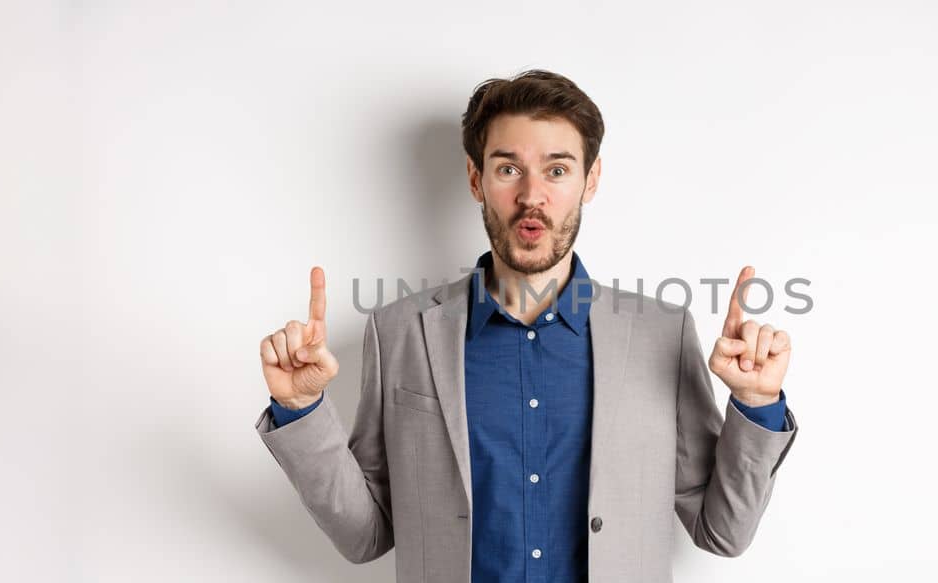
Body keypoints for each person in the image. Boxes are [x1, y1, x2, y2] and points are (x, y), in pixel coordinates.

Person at [253, 69, 799, 583]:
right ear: (476, 178)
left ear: (590, 180)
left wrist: (755, 405)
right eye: (508, 168)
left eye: (557, 169)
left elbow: (722, 532)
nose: (532, 195)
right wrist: (301, 410)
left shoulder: (661, 332)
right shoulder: (399, 332)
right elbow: (365, 535)